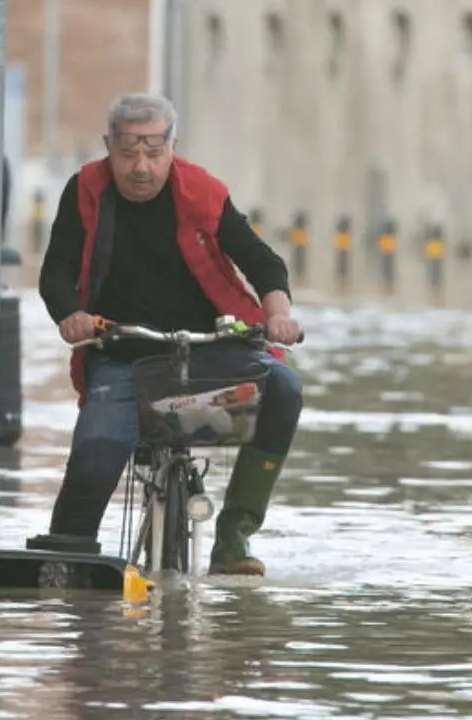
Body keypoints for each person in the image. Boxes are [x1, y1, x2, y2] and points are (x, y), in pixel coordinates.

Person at [36, 92, 303, 576]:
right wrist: (70, 314)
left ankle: (234, 536)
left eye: (154, 153)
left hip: (207, 350)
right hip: (121, 353)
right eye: (128, 153)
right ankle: (67, 563)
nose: (141, 167)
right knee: (94, 455)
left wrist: (279, 311)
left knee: (283, 389)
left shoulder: (203, 191)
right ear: (108, 147)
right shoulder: (84, 191)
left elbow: (261, 260)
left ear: (172, 148)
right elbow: (55, 271)